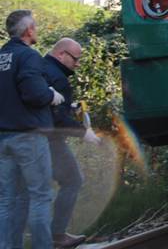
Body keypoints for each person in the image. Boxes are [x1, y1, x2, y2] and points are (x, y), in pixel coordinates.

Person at [0, 10, 64, 249]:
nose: (36, 30)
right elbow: (34, 93)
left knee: (7, 200)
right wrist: (51, 95)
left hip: (2, 138)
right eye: (35, 26)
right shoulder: (28, 56)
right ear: (28, 31)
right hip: (28, 136)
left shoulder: (2, 56)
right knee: (40, 196)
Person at [42, 38, 99, 248]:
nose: (77, 64)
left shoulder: (38, 67)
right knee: (73, 180)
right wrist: (84, 132)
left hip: (24, 135)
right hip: (50, 139)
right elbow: (56, 118)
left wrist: (68, 106)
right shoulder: (58, 78)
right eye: (75, 59)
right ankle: (57, 236)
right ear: (61, 54)